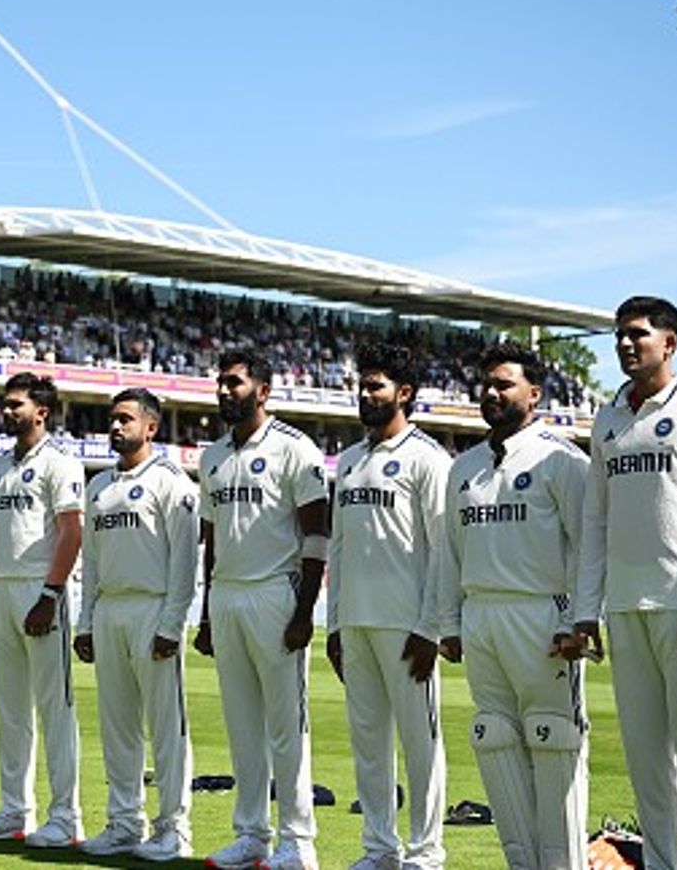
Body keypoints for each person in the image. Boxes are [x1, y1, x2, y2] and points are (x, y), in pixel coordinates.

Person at [567, 296, 677, 870]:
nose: (624, 344)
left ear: (670, 342)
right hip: (625, 610)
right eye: (619, 335)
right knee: (647, 762)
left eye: (637, 334)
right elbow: (595, 520)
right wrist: (585, 611)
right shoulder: (609, 417)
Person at [436, 343, 591, 870]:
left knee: (554, 739)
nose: (492, 392)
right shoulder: (464, 469)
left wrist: (578, 620)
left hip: (542, 616)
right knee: (494, 738)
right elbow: (448, 552)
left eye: (504, 384)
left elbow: (588, 546)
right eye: (487, 384)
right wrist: (449, 622)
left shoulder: (562, 459)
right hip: (481, 617)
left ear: (535, 393)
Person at [195, 349, 330, 870]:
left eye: (235, 382)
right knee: (242, 723)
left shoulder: (295, 448)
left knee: (285, 724)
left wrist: (303, 612)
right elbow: (210, 541)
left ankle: (298, 842)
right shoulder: (211, 456)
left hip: (276, 594)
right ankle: (251, 834)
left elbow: (317, 534)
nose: (225, 391)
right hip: (226, 597)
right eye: (221, 383)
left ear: (264, 391)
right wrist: (206, 612)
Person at [327, 343, 451, 870]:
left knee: (421, 747)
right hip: (356, 624)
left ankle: (426, 852)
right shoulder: (350, 460)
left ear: (404, 393)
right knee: (369, 745)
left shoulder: (428, 458)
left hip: (408, 627)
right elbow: (337, 545)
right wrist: (333, 624)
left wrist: (430, 627)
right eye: (362, 384)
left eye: (376, 385)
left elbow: (445, 549)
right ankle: (379, 848)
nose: (365, 394)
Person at [72, 388, 199, 861]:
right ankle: (124, 823)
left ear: (151, 427)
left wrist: (172, 623)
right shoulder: (98, 485)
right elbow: (92, 560)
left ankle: (173, 829)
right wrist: (85, 622)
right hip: (109, 611)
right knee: (118, 725)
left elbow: (184, 560)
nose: (115, 427)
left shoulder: (172, 481)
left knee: (167, 728)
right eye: (112, 419)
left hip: (153, 610)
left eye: (125, 419)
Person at [0, 373, 86, 848]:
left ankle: (65, 817)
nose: (7, 411)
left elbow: (71, 532)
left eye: (16, 405)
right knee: (11, 709)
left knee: (54, 710)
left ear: (41, 412)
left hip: (41, 591)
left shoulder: (60, 462)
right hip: (4, 593)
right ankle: (15, 810)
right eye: (4, 404)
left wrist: (51, 593)